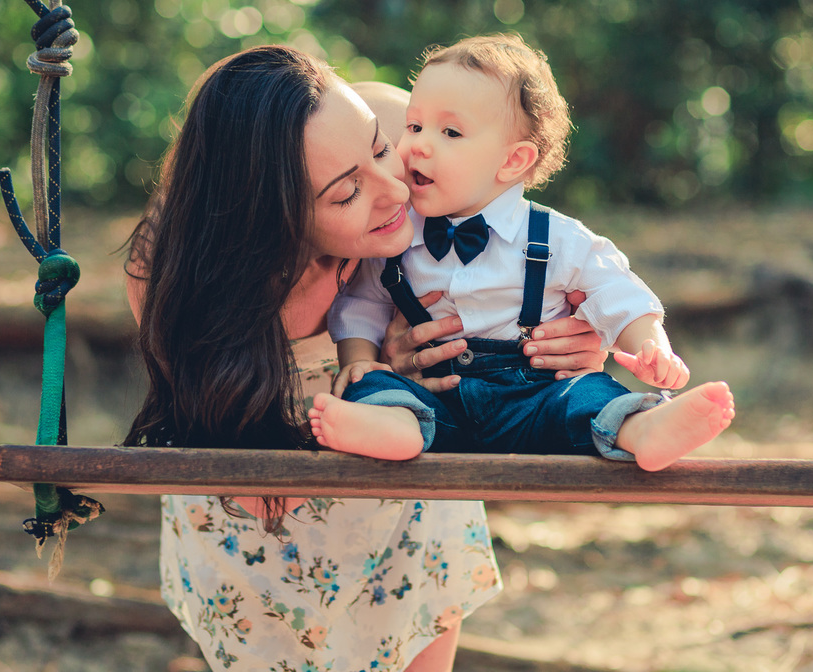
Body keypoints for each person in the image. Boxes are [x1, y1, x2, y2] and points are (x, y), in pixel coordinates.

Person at [122, 44, 612, 672]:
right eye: (346, 193)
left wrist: (573, 333)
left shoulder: (387, 115)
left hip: (406, 491)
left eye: (381, 151)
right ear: (269, 216)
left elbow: (521, 245)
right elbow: (215, 433)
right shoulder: (173, 264)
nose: (394, 191)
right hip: (256, 509)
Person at [312, 34, 735, 470]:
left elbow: (616, 290)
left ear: (512, 162)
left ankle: (643, 429)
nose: (417, 144)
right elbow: (361, 303)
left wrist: (652, 347)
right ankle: (392, 428)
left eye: (450, 131)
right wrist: (361, 362)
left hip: (535, 398)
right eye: (415, 126)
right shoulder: (396, 237)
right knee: (378, 387)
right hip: (437, 405)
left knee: (587, 394)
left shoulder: (556, 238)